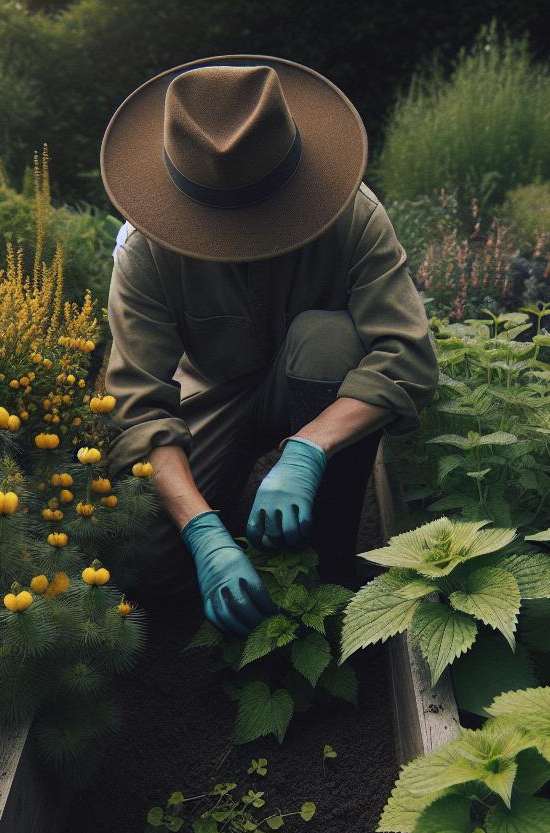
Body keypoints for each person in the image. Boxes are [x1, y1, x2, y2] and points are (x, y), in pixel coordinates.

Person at [98, 55, 437, 636]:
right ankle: (229, 516)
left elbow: (406, 355)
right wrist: (201, 530)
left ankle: (327, 550)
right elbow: (140, 409)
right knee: (152, 564)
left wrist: (308, 449)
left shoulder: (353, 216)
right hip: (213, 389)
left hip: (321, 386)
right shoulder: (146, 249)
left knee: (328, 339)